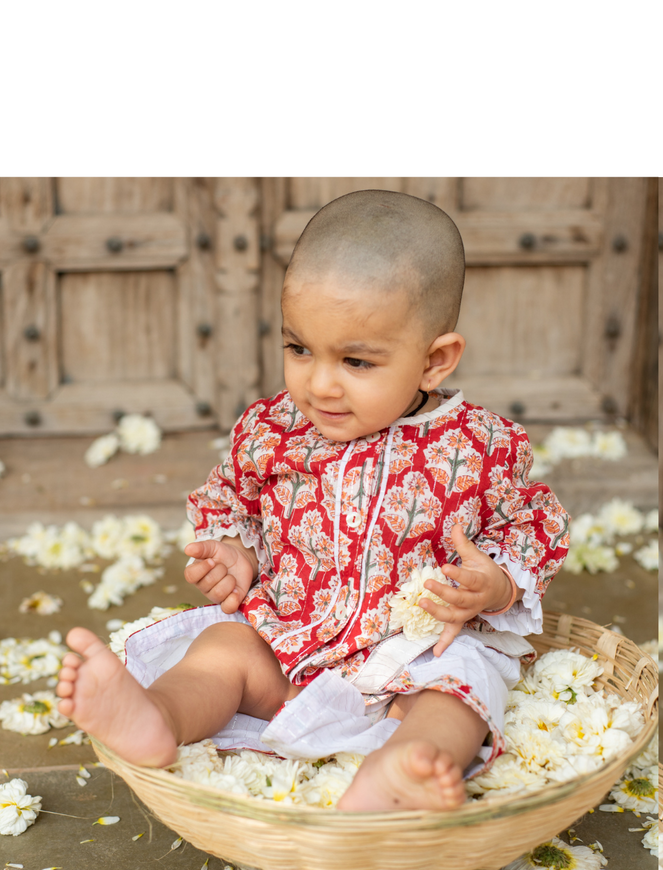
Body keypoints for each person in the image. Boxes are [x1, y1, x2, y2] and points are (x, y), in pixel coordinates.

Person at [56, 190, 569, 812]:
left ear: (434, 361)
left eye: (356, 361)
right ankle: (157, 718)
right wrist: (236, 550)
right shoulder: (273, 430)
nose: (318, 383)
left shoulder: (479, 446)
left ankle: (404, 765)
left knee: (460, 689)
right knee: (223, 653)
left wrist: (497, 585)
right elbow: (230, 499)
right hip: (290, 642)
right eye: (299, 348)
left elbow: (532, 526)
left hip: (414, 653)